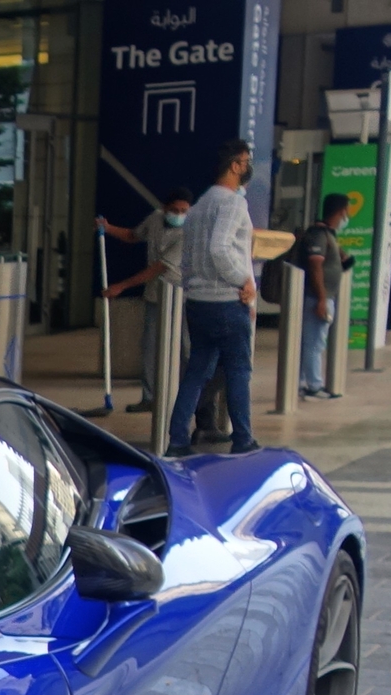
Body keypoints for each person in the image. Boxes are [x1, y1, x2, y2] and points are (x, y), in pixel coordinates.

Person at [167, 140, 261, 457]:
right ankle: (244, 439)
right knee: (238, 370)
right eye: (247, 161)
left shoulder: (200, 205)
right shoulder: (232, 204)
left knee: (197, 371)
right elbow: (219, 248)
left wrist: (195, 285)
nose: (249, 167)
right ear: (235, 165)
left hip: (198, 301)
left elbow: (190, 256)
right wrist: (243, 281)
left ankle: (178, 438)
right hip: (226, 300)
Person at [99, 190, 193, 413]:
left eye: (184, 211)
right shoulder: (154, 219)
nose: (179, 215)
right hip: (155, 296)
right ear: (164, 208)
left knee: (185, 348)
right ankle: (149, 397)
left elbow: (158, 268)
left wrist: (121, 286)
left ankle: (188, 396)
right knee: (150, 347)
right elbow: (133, 235)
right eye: (175, 210)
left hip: (181, 295)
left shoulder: (189, 231)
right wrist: (108, 228)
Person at [294, 193, 350, 400]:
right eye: (347, 211)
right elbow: (315, 266)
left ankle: (300, 382)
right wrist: (321, 298)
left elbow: (340, 262)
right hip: (316, 298)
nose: (347, 216)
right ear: (340, 211)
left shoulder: (327, 235)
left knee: (312, 341)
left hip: (323, 296)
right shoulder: (318, 234)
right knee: (314, 343)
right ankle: (313, 385)